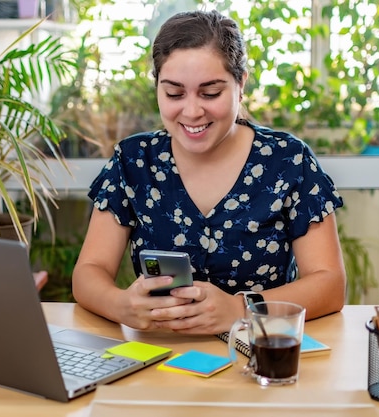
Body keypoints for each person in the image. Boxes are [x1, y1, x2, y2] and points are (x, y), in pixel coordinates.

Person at [72, 9, 346, 335]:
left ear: (240, 84)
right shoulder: (133, 161)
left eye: (210, 93)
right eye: (174, 93)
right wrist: (121, 305)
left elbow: (330, 284)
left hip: (262, 357)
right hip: (161, 358)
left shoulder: (289, 161)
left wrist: (240, 309)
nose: (191, 111)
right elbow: (90, 271)